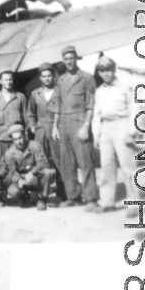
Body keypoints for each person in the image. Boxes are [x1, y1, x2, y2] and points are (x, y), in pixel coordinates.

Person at [54, 45, 98, 209]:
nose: (69, 62)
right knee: (67, 163)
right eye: (66, 59)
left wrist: (86, 126)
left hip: (79, 123)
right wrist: (55, 127)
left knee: (85, 161)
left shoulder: (87, 78)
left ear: (76, 59)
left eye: (71, 58)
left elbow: (91, 104)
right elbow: (57, 104)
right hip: (63, 124)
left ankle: (91, 197)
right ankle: (72, 195)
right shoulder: (60, 80)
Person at [92, 56, 138, 212]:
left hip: (121, 123)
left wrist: (132, 132)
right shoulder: (98, 91)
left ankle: (134, 204)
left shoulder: (124, 86)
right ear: (99, 72)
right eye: (102, 70)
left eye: (108, 69)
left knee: (127, 166)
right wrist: (96, 134)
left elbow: (133, 109)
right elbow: (97, 114)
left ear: (114, 69)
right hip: (105, 127)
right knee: (106, 165)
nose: (106, 73)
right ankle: (107, 202)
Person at [27, 63, 66, 201]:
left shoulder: (59, 91)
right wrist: (32, 126)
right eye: (43, 76)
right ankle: (40, 193)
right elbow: (31, 113)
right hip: (40, 130)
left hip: (56, 130)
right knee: (40, 161)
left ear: (53, 76)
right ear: (40, 78)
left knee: (59, 160)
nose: (47, 79)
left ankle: (63, 192)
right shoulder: (35, 93)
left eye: (49, 75)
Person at [4, 124, 55, 210]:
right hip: (21, 179)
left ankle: (42, 199)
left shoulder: (34, 145)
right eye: (15, 139)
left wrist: (32, 172)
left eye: (20, 138)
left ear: (24, 135)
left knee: (47, 172)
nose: (18, 141)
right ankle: (27, 197)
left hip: (35, 176)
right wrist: (19, 180)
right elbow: (12, 171)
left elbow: (43, 162)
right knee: (13, 191)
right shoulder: (9, 153)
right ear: (12, 140)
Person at [0, 67, 27, 154]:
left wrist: (26, 133)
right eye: (6, 80)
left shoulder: (20, 97)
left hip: (16, 137)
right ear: (0, 81)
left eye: (10, 79)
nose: (8, 82)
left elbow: (26, 118)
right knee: (0, 164)